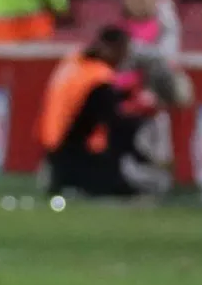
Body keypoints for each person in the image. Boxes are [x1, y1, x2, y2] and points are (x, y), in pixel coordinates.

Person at [38, 25, 168, 199]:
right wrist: (146, 158)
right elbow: (115, 124)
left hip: (53, 151)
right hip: (72, 156)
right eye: (123, 51)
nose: (124, 58)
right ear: (111, 49)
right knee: (140, 186)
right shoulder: (98, 79)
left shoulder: (74, 61)